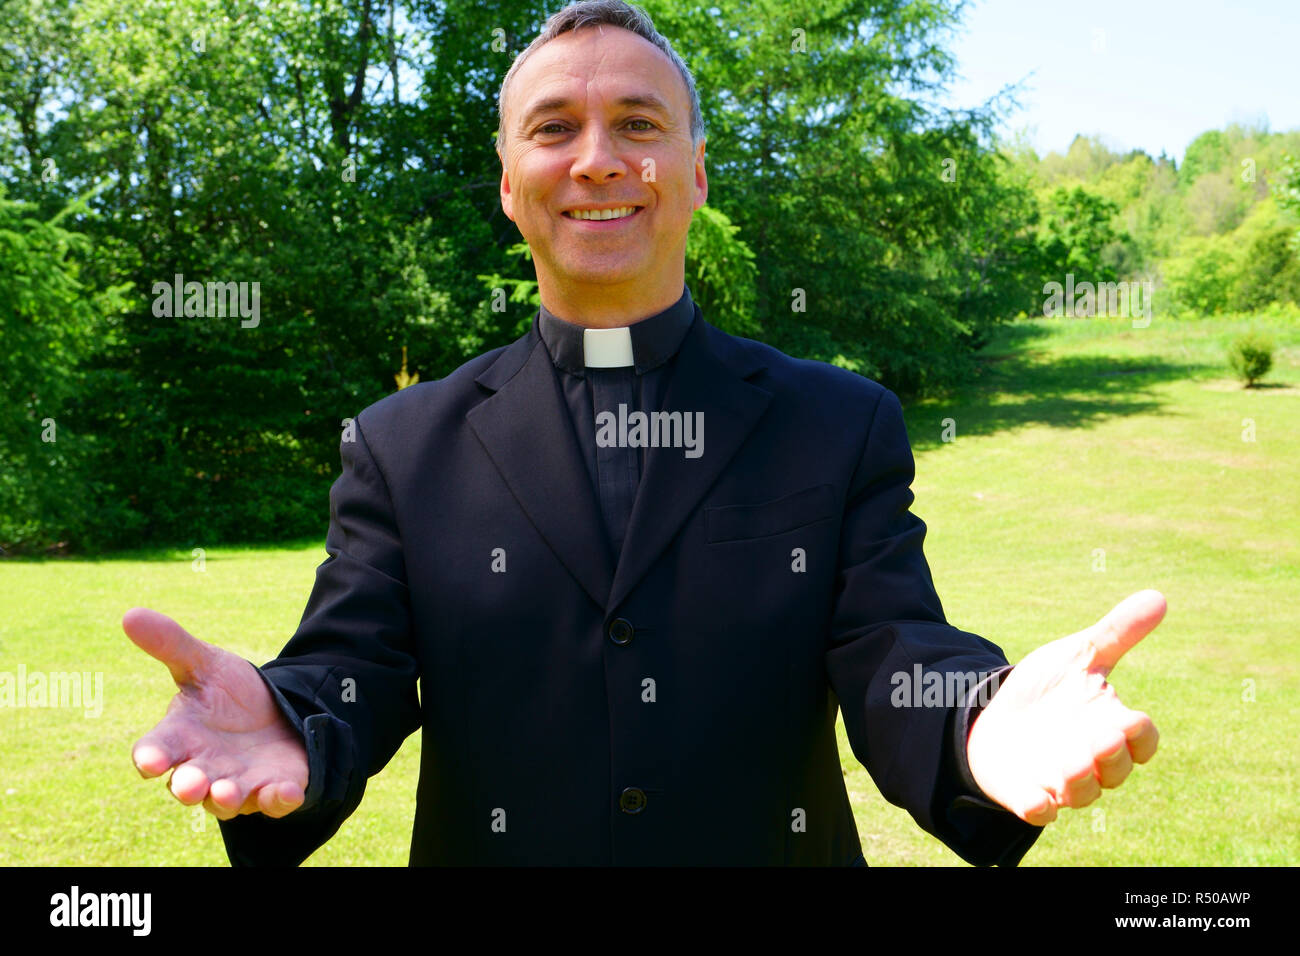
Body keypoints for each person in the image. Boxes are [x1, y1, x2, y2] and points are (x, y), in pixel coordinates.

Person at [124, 0, 1165, 866]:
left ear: (695, 172)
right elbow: (351, 667)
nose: (596, 161)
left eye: (637, 123)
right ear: (507, 185)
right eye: (551, 128)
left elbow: (895, 653)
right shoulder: (406, 446)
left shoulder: (835, 423)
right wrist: (287, 717)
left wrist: (975, 719)